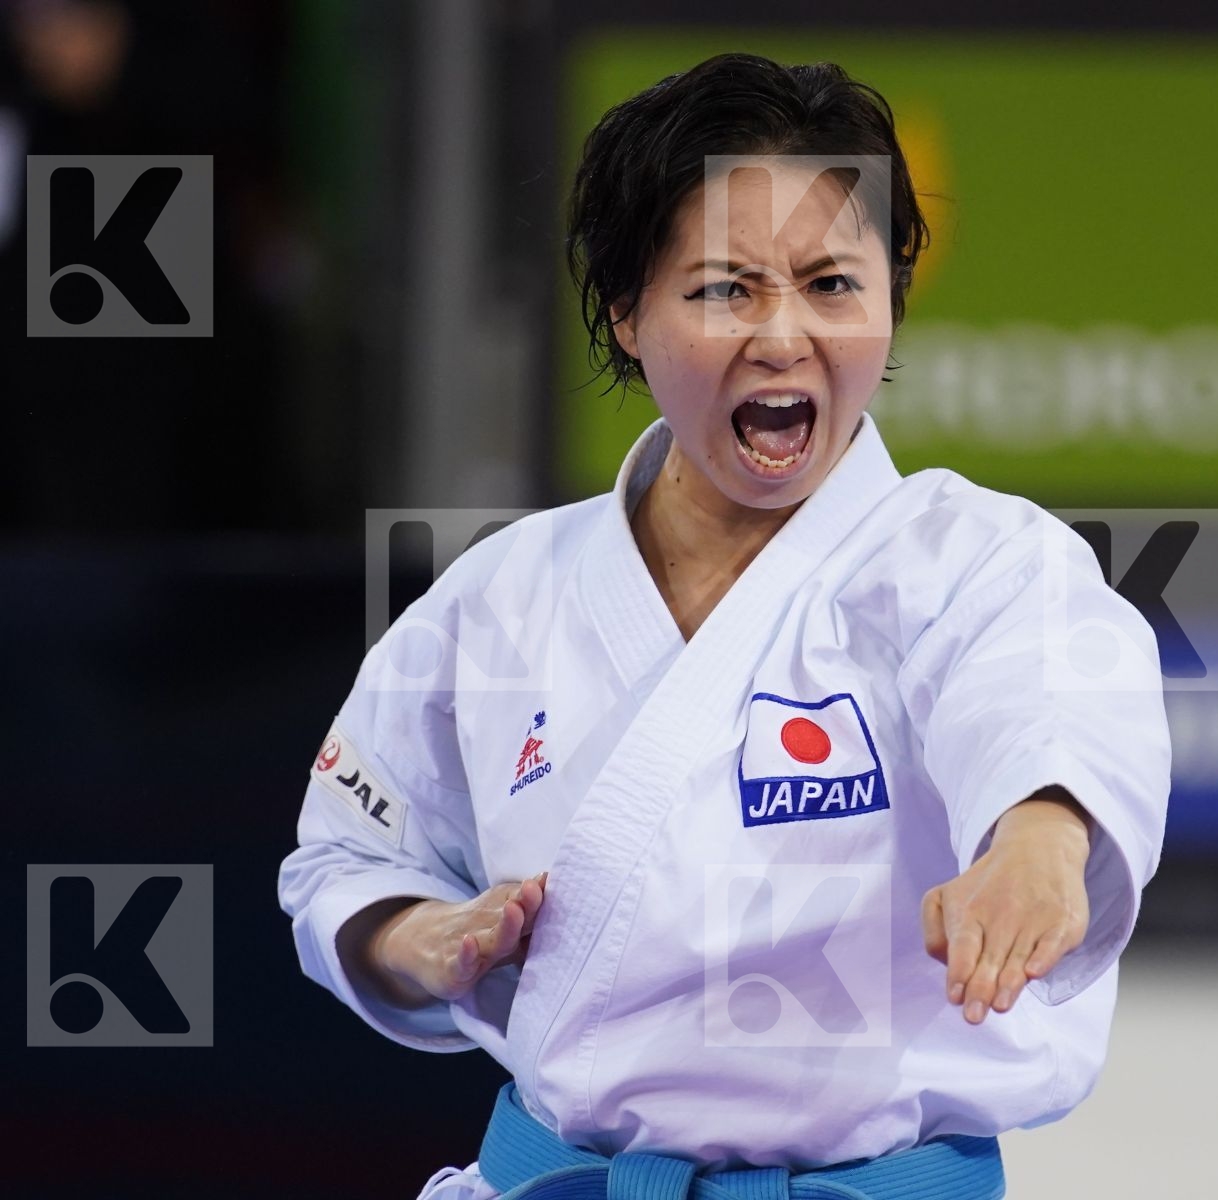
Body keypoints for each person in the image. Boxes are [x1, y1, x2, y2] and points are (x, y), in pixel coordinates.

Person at [277, 51, 1170, 1200]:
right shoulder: (501, 595)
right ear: (624, 311)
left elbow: (1044, 702)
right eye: (723, 288)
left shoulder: (974, 558)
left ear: (892, 299)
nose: (783, 335)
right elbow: (343, 859)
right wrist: (422, 943)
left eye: (831, 284)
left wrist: (1038, 842)